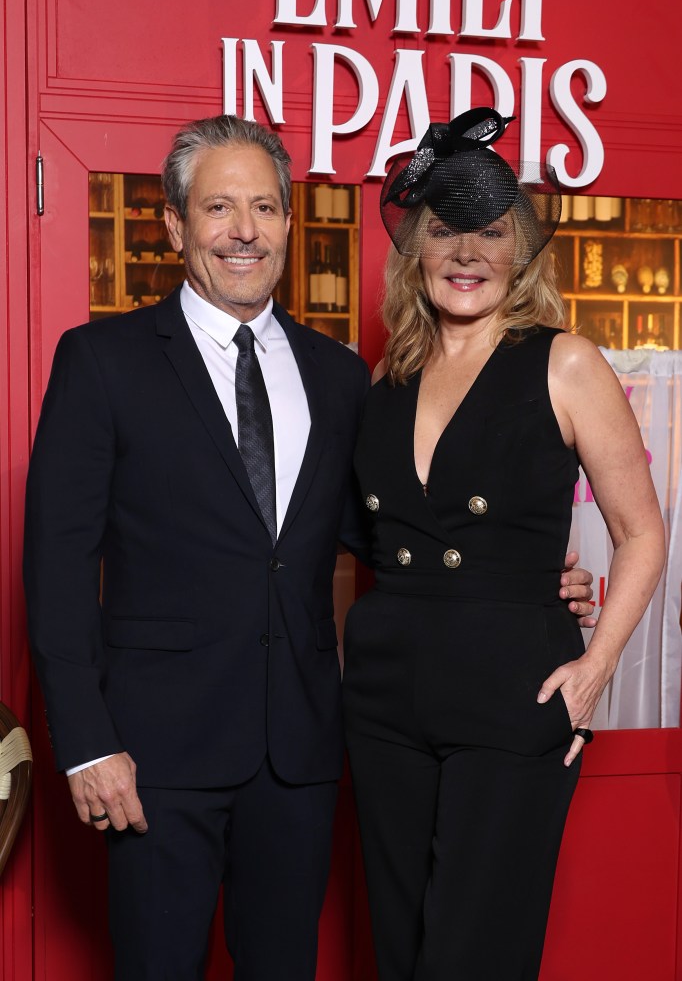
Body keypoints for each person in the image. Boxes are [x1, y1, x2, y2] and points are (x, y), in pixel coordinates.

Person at [23, 113, 595, 981]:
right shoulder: (102, 362)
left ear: (290, 223)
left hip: (299, 754)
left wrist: (523, 580)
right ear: (177, 225)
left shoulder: (337, 376)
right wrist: (88, 743)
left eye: (263, 207)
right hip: (153, 757)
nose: (243, 230)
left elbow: (385, 535)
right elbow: (55, 567)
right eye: (219, 207)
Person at [342, 107, 666, 981]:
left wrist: (595, 668)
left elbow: (643, 532)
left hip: (512, 687)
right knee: (401, 950)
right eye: (445, 230)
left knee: (472, 955)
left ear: (520, 250)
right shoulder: (386, 375)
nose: (467, 253)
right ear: (416, 247)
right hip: (383, 697)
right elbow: (357, 545)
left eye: (490, 231)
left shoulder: (564, 361)